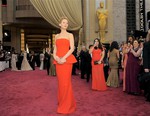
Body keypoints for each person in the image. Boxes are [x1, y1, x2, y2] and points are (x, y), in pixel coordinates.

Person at [53, 17, 77, 114]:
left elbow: (72, 48)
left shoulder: (70, 35)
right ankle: (62, 102)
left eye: (67, 23)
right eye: (63, 22)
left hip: (67, 61)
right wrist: (56, 57)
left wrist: (63, 58)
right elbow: (55, 49)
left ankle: (67, 105)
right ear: (60, 24)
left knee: (66, 83)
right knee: (60, 83)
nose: (65, 24)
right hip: (58, 61)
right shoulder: (56, 36)